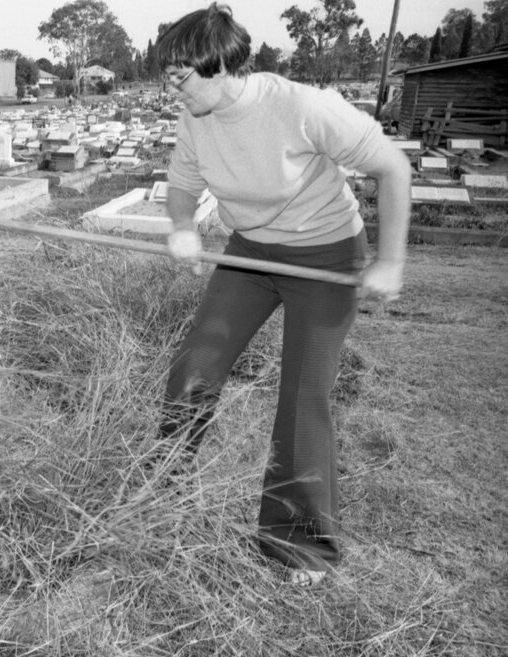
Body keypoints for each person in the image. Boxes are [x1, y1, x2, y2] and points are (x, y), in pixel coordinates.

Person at [156, 4, 411, 586]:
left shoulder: (300, 107)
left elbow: (393, 168)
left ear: (220, 67)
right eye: (167, 77)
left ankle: (299, 544)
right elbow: (182, 184)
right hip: (250, 253)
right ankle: (160, 492)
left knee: (302, 396)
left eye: (181, 77)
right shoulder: (195, 116)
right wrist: (182, 228)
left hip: (325, 256)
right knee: (193, 370)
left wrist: (390, 261)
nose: (173, 89)